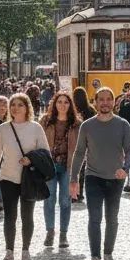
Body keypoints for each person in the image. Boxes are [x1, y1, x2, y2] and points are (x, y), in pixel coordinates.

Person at [69, 87, 130, 260]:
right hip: (93, 177)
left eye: (109, 99)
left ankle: (108, 254)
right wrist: (73, 179)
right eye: (101, 99)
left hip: (115, 179)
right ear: (95, 102)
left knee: (112, 218)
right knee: (94, 218)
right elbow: (79, 153)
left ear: (114, 102)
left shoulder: (123, 124)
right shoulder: (87, 126)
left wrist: (125, 169)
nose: (105, 103)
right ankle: (95, 258)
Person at [0, 92, 51, 260]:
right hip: (7, 177)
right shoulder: (3, 129)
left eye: (20, 105)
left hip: (29, 178)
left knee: (27, 215)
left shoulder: (35, 128)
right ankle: (9, 252)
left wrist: (31, 159)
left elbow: (45, 153)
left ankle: (25, 251)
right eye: (13, 105)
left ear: (27, 107)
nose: (15, 108)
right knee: (10, 216)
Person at [40, 91, 79, 249]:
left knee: (65, 201)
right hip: (49, 166)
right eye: (60, 102)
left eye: (66, 102)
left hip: (67, 166)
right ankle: (50, 232)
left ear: (70, 105)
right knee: (49, 200)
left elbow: (81, 147)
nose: (62, 105)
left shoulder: (76, 124)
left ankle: (63, 234)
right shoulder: (46, 121)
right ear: (54, 104)